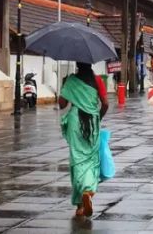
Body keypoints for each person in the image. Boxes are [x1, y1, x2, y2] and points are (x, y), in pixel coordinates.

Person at [58, 63, 108, 217]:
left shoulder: (71, 80)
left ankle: (80, 205)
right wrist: (97, 117)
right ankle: (88, 191)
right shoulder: (97, 80)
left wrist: (65, 85)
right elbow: (105, 104)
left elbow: (62, 105)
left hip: (75, 121)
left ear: (77, 64)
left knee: (77, 159)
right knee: (91, 160)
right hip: (91, 122)